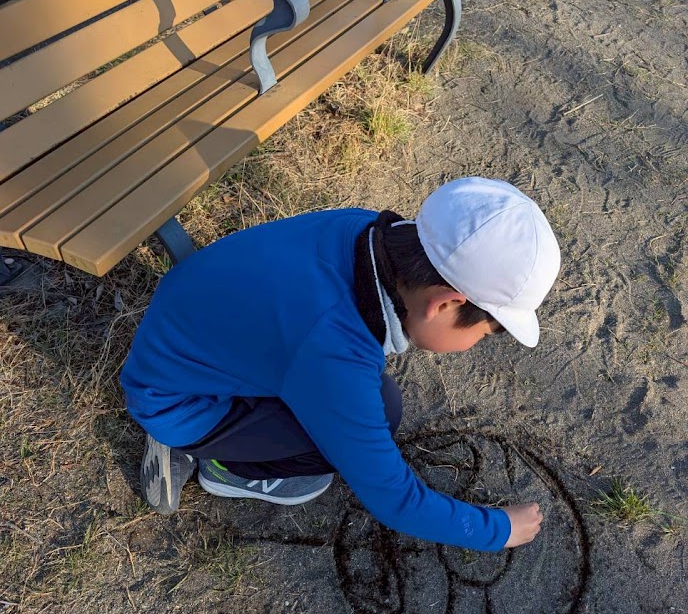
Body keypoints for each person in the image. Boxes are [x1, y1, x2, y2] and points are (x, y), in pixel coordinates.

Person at [120, 177, 560, 551]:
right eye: (484, 333)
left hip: (190, 322)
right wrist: (498, 530)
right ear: (445, 304)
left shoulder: (364, 228)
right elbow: (396, 501)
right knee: (364, 424)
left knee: (377, 401)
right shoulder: (332, 356)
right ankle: (222, 467)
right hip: (175, 397)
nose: (475, 344)